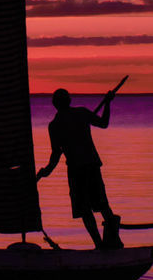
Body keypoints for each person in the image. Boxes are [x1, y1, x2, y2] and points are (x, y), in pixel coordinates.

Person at [36, 87, 122, 249]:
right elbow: (104, 123)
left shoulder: (55, 125)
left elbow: (56, 155)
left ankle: (102, 244)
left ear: (55, 104)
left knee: (89, 209)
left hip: (81, 169)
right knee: (100, 205)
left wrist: (46, 171)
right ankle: (108, 243)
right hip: (86, 167)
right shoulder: (77, 116)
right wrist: (108, 103)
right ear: (68, 101)